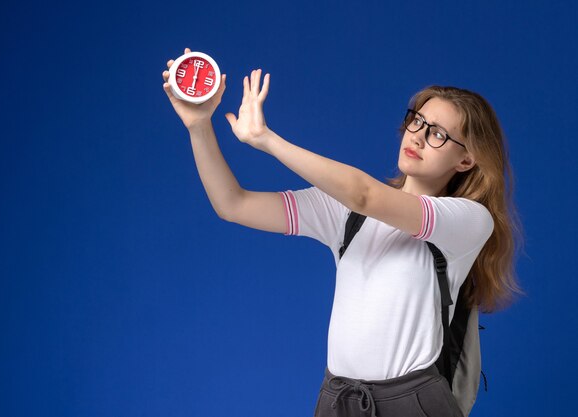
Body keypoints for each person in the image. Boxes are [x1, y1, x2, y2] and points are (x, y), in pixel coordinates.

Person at [162, 47, 523, 417]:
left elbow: (364, 194)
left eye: (438, 135)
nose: (416, 136)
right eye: (417, 121)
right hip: (337, 399)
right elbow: (232, 204)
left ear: (466, 160)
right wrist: (198, 125)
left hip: (412, 402)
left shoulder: (467, 220)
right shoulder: (344, 214)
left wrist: (267, 140)